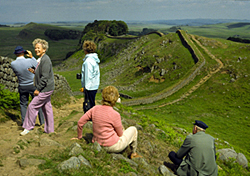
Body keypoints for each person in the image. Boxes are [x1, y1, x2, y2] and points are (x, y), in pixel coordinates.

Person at [71, 86, 142, 159]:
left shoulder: (95, 109)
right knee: (133, 130)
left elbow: (80, 122)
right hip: (113, 146)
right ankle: (133, 153)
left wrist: (79, 137)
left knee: (120, 128)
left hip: (97, 144)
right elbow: (120, 134)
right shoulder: (115, 114)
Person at [20, 39, 55, 136]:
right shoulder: (42, 59)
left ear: (44, 49)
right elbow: (43, 72)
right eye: (35, 48)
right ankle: (49, 130)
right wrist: (35, 72)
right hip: (47, 87)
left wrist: (38, 89)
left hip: (45, 88)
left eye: (38, 48)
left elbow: (45, 77)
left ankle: (28, 127)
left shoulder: (45, 59)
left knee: (32, 106)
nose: (36, 49)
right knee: (47, 108)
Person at [11, 46, 44, 126]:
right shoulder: (29, 61)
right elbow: (37, 66)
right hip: (33, 85)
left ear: (16, 54)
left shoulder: (13, 64)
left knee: (23, 105)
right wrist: (32, 57)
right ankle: (42, 122)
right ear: (23, 53)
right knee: (37, 103)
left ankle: (26, 124)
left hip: (22, 86)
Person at [80, 40, 100, 113]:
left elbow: (88, 75)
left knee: (89, 104)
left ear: (85, 50)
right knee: (92, 102)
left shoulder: (88, 61)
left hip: (90, 87)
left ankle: (91, 118)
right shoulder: (94, 59)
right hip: (94, 85)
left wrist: (86, 88)